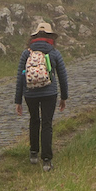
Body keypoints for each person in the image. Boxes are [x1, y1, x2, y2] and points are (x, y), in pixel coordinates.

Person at [14, 21, 69, 169]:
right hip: (49, 93)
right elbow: (63, 77)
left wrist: (18, 101)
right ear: (51, 36)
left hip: (29, 94)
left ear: (34, 36)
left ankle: (33, 153)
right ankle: (46, 160)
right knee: (46, 124)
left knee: (34, 120)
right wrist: (64, 97)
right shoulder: (54, 53)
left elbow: (20, 78)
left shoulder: (26, 53)